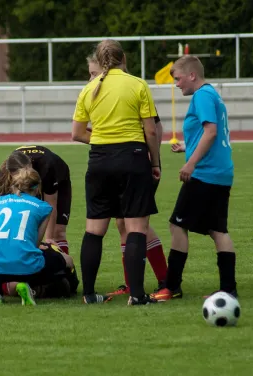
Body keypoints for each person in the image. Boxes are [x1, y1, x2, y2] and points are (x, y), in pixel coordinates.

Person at [72, 39, 161, 305]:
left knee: (94, 230)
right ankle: (136, 294)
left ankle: (88, 294)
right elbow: (152, 130)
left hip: (98, 161)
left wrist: (102, 141)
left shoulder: (89, 89)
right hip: (132, 159)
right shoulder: (137, 84)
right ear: (124, 58)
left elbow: (77, 133)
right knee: (135, 228)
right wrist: (154, 162)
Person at [151, 56, 238, 302]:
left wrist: (190, 163)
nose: (176, 84)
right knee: (217, 229)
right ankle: (228, 289)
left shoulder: (201, 96)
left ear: (192, 75)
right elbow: (209, 133)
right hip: (221, 172)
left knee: (177, 225)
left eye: (177, 79)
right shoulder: (211, 94)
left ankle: (171, 286)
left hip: (205, 173)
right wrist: (187, 148)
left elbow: (210, 132)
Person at [0, 152, 79, 299]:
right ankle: (12, 288)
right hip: (25, 260)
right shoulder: (42, 207)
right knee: (65, 265)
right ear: (38, 188)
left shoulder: (2, 201)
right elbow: (36, 243)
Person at [13, 145, 72, 254]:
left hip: (58, 175)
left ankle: (62, 268)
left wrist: (48, 240)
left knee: (57, 233)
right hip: (31, 170)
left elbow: (50, 205)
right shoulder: (4, 173)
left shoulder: (47, 167)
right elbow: (8, 205)